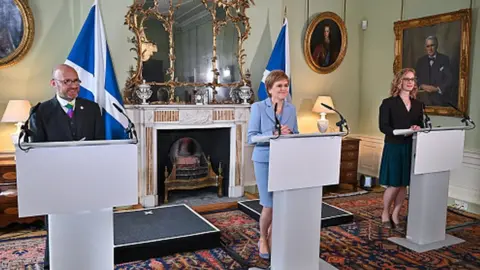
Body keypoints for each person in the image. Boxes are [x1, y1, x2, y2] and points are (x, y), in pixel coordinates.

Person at [30, 64, 105, 269]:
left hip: (87, 181)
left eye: (76, 81)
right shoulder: (40, 112)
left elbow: (100, 146)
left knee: (88, 228)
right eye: (67, 82)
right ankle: (52, 265)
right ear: (54, 84)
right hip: (57, 183)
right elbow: (37, 151)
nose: (73, 86)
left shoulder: (92, 109)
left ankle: (89, 262)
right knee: (58, 229)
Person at [247, 70, 299, 259]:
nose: (284, 89)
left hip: (285, 160)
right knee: (269, 204)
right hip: (264, 160)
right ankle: (262, 238)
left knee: (282, 203)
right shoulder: (258, 108)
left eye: (286, 85)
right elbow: (251, 137)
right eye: (279, 86)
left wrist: (291, 133)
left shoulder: (291, 109)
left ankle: (274, 237)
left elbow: (296, 133)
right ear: (269, 89)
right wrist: (274, 134)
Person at [378, 68, 424, 230]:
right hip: (394, 145)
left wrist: (417, 127)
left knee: (404, 183)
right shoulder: (388, 103)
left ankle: (396, 214)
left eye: (412, 79)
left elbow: (421, 124)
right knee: (394, 184)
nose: (410, 82)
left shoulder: (418, 105)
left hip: (410, 146)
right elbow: (383, 126)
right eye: (407, 79)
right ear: (399, 82)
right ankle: (385, 212)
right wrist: (398, 132)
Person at [415, 36, 453, 106]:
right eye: (428, 46)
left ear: (437, 45)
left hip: (440, 101)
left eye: (432, 45)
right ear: (425, 47)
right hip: (423, 101)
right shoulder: (420, 61)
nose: (430, 49)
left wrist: (437, 89)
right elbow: (416, 78)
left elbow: (449, 79)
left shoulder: (444, 59)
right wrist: (422, 86)